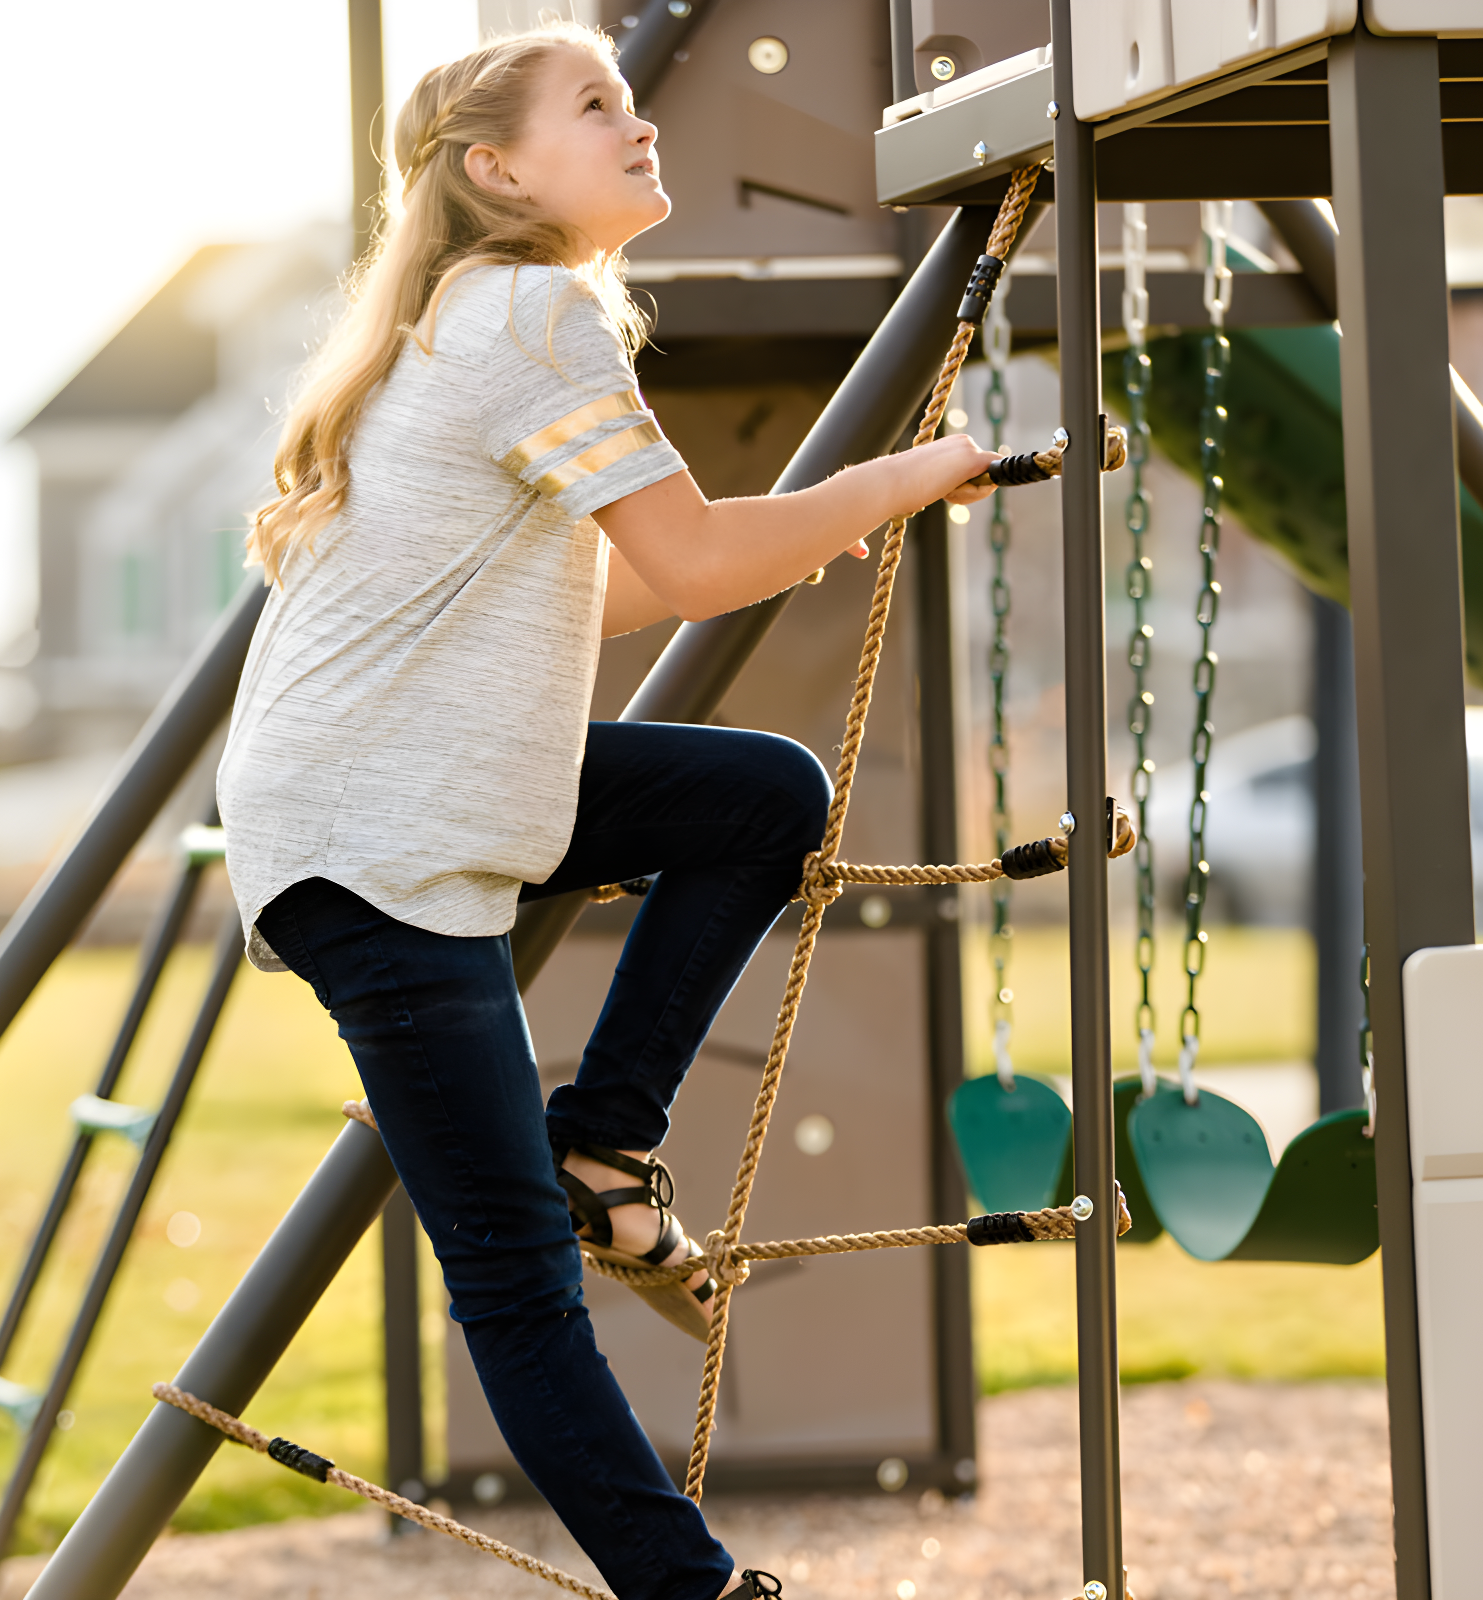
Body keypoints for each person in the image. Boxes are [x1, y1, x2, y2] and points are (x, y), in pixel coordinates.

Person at [218, 20, 995, 1600]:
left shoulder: (477, 313)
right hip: (380, 832)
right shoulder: (531, 311)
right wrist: (901, 480)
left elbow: (617, 590)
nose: (638, 127)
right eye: (596, 106)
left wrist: (793, 534)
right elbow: (697, 567)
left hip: (434, 769)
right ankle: (689, 1588)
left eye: (631, 102)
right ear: (499, 171)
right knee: (512, 1279)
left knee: (761, 798)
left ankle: (607, 1140)